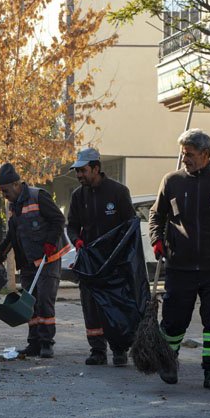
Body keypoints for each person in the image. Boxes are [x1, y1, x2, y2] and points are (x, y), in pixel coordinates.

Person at [149, 129, 210, 390]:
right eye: (183, 155)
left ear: (205, 154)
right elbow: (156, 216)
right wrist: (156, 240)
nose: (185, 160)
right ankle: (168, 362)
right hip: (180, 266)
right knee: (173, 321)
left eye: (190, 155)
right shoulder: (172, 181)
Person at [66, 147, 136, 367]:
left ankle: (119, 349)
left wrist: (121, 255)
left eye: (82, 170)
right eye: (77, 171)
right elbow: (72, 226)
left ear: (96, 168)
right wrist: (76, 240)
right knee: (91, 305)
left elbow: (130, 226)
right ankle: (97, 350)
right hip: (89, 261)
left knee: (114, 306)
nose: (79, 175)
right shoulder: (78, 196)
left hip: (114, 261)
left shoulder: (118, 192)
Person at [0, 163, 68, 358]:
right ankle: (33, 343)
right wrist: (0, 252)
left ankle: (46, 343)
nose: (4, 195)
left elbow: (58, 220)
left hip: (47, 259)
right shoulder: (12, 206)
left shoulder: (38, 196)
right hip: (27, 261)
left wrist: (51, 242)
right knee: (30, 304)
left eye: (5, 191)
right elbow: (12, 233)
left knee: (44, 302)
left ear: (17, 184)